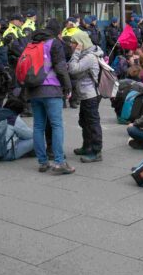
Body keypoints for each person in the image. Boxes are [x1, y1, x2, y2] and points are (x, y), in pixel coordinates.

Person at [25, 19, 74, 174]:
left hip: (34, 89)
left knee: (38, 126)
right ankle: (59, 162)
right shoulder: (54, 43)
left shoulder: (34, 41)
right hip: (51, 89)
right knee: (56, 125)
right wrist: (68, 86)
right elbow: (60, 68)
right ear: (58, 31)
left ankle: (43, 162)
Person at [67, 32, 104, 162]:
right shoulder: (87, 55)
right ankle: (87, 146)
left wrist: (76, 52)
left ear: (80, 44)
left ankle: (96, 151)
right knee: (84, 121)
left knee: (92, 123)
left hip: (90, 95)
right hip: (85, 94)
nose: (71, 45)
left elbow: (73, 69)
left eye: (73, 43)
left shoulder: (89, 57)